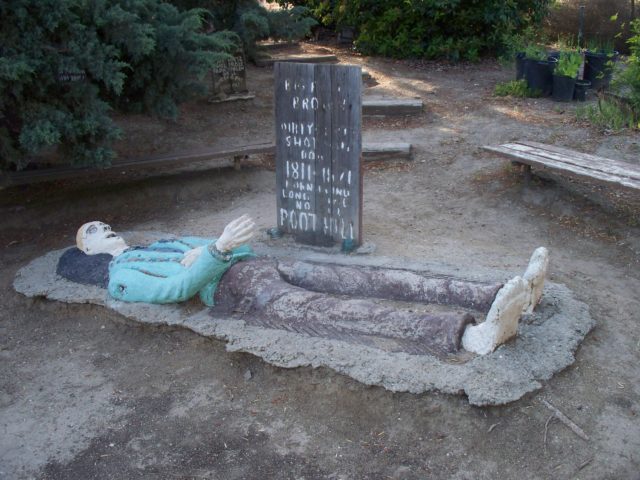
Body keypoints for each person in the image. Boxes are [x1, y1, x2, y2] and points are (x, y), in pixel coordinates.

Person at [57, 215, 549, 356]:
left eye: (106, 224)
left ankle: (500, 293)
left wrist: (222, 246)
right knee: (332, 311)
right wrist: (214, 251)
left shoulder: (160, 241)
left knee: (367, 277)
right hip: (234, 294)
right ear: (87, 252)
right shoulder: (121, 278)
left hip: (259, 266)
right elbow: (174, 291)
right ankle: (468, 335)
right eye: (96, 232)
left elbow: (234, 247)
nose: (108, 230)